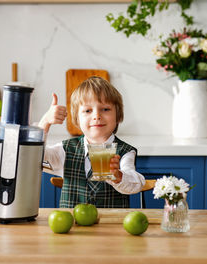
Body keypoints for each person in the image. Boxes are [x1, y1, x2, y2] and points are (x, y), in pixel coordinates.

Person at [38, 76, 145, 208]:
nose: (96, 116)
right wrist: (45, 123)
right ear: (77, 118)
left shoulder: (125, 151)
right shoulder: (66, 150)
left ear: (118, 115)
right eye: (88, 110)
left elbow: (136, 184)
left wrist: (118, 176)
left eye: (105, 109)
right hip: (72, 226)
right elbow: (35, 158)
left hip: (111, 226)